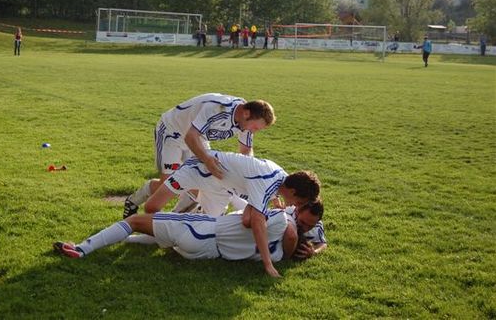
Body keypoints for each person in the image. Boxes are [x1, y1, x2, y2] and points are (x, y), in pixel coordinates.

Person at [143, 151, 321, 277]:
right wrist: (268, 264)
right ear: (294, 192)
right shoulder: (268, 183)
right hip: (197, 170)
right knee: (151, 208)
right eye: (298, 202)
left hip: (220, 187)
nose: (296, 206)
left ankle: (188, 206)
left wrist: (273, 203)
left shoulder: (281, 181)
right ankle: (189, 198)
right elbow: (257, 223)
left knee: (206, 224)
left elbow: (251, 217)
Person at [53, 198, 325, 278]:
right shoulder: (289, 229)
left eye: (307, 225)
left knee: (134, 220)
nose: (305, 227)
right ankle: (127, 241)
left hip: (204, 231)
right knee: (160, 237)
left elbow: (290, 231)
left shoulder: (283, 217)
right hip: (206, 254)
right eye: (304, 222)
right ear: (298, 207)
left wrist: (275, 261)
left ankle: (82, 249)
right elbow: (307, 238)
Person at [123, 94, 276, 218]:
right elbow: (190, 136)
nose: (253, 131)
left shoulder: (245, 121)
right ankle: (133, 201)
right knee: (168, 182)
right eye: (255, 127)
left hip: (198, 138)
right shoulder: (217, 108)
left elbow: (245, 152)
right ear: (246, 113)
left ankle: (178, 218)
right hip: (172, 133)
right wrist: (207, 160)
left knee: (199, 181)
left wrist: (254, 180)